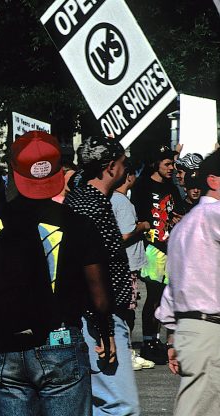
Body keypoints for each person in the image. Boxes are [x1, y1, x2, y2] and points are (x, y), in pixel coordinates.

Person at [0, 130, 114, 416]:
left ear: (15, 173)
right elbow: (101, 301)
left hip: (8, 347)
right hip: (61, 343)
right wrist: (104, 332)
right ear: (58, 172)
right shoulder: (79, 225)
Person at [66, 136, 139, 415]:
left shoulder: (86, 199)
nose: (125, 170)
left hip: (97, 316)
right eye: (123, 163)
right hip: (98, 318)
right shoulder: (92, 206)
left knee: (102, 403)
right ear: (110, 167)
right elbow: (93, 273)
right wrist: (105, 329)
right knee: (120, 405)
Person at [155, 150, 220, 415]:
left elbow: (173, 287)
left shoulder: (184, 226)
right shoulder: (212, 215)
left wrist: (172, 337)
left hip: (191, 329)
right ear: (214, 181)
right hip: (210, 330)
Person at [130, 144, 182, 364]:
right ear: (156, 164)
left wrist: (176, 219)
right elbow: (137, 216)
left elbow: (177, 209)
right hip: (152, 248)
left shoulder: (172, 186)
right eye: (167, 164)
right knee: (152, 295)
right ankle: (149, 341)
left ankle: (157, 340)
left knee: (163, 297)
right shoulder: (142, 186)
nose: (171, 168)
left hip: (170, 248)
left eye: (173, 164)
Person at [110, 158, 154, 371]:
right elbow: (125, 234)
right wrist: (143, 226)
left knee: (124, 309)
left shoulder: (112, 199)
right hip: (127, 264)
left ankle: (123, 350)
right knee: (127, 310)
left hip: (122, 263)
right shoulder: (122, 202)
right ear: (128, 176)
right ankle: (126, 352)